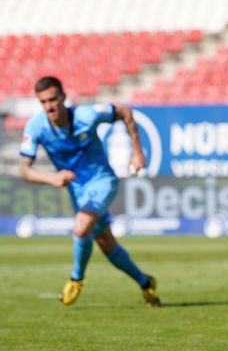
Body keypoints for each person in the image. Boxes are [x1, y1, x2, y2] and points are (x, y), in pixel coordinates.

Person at [18, 76, 159, 307]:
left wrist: (138, 152)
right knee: (106, 244)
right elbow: (24, 170)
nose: (50, 106)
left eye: (53, 99)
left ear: (63, 97)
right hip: (78, 192)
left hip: (102, 181)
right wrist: (51, 178)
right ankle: (145, 283)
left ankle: (76, 279)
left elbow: (124, 112)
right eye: (43, 102)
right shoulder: (36, 127)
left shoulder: (87, 115)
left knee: (80, 228)